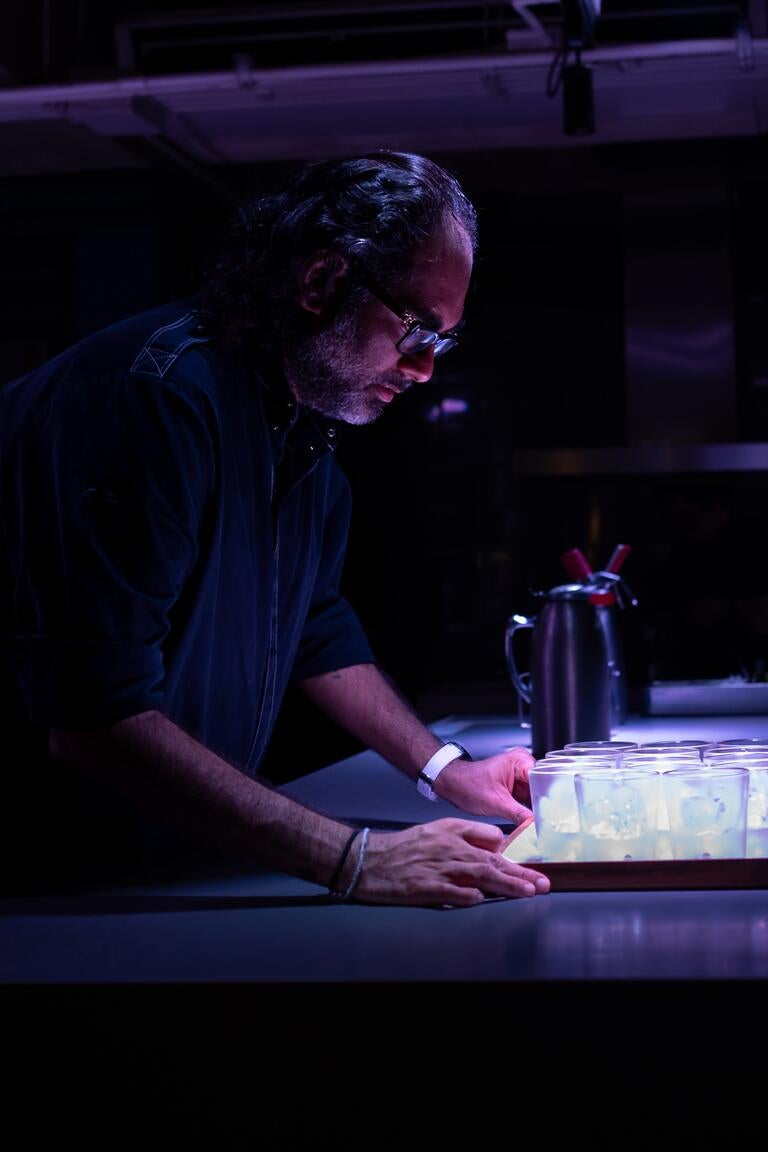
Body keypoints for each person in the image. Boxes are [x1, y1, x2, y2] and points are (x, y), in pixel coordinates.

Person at [0, 150, 549, 906]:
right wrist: (355, 860)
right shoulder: (154, 400)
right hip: (49, 883)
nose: (425, 370)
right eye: (417, 328)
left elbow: (316, 624)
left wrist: (446, 770)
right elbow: (93, 718)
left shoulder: (300, 425)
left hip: (170, 856)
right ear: (322, 281)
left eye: (440, 343)